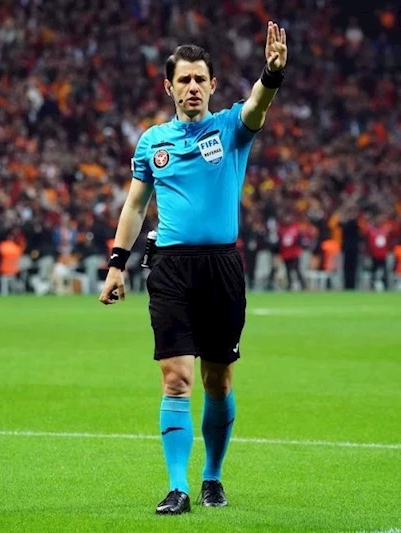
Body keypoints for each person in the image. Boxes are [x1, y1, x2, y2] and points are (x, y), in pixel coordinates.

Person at [98, 21, 288, 515]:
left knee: (217, 381)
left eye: (200, 79)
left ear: (213, 84)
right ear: (169, 87)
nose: (192, 87)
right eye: (183, 80)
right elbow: (135, 205)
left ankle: (212, 478)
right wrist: (117, 264)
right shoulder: (152, 142)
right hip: (170, 268)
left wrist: (271, 74)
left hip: (221, 267)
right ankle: (178, 487)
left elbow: (257, 106)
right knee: (176, 379)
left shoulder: (230, 128)